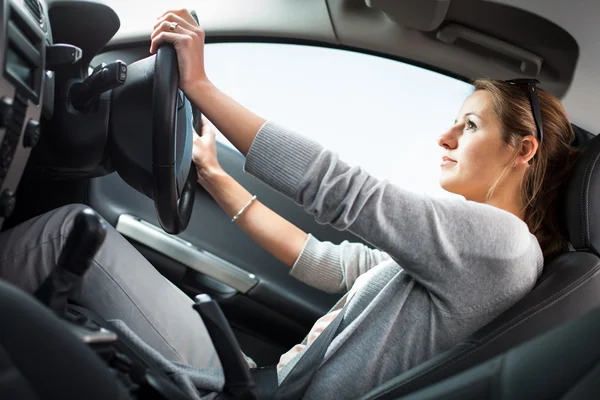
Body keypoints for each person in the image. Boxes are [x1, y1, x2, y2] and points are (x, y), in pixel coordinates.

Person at [0, 7, 579, 400]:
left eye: (469, 126)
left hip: (264, 391)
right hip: (270, 381)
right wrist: (213, 173)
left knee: (63, 235)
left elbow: (348, 192)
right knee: (73, 239)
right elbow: (329, 264)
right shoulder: (476, 254)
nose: (444, 139)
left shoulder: (501, 246)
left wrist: (202, 88)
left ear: (522, 149)